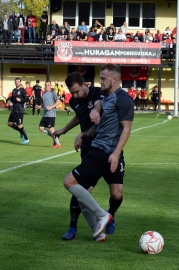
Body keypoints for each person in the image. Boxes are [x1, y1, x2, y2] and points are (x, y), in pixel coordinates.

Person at [62, 64, 134, 239]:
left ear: (115, 79)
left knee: (117, 194)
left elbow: (126, 129)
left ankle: (104, 216)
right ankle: (97, 226)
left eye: (103, 78)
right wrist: (83, 134)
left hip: (112, 152)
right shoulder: (107, 99)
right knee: (72, 183)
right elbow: (98, 127)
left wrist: (116, 153)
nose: (99, 81)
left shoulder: (123, 99)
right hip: (99, 151)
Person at [53, 73, 109, 241]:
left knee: (77, 187)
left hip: (100, 148)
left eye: (77, 91)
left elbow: (98, 109)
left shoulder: (98, 94)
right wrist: (64, 129)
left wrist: (83, 134)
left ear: (85, 84)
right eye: (72, 93)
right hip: (86, 149)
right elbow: (79, 115)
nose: (75, 96)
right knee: (82, 190)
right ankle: (97, 230)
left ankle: (101, 219)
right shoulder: (74, 101)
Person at [38, 81, 62, 148]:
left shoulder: (52, 93)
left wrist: (51, 107)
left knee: (51, 129)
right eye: (46, 85)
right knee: (41, 128)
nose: (47, 86)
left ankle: (58, 144)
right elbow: (45, 104)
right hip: (45, 114)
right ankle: (54, 137)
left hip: (51, 114)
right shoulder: (44, 93)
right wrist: (40, 106)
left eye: (48, 85)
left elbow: (58, 101)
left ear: (50, 86)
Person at [7, 78, 29, 144]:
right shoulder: (13, 90)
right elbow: (12, 99)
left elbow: (27, 99)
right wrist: (10, 102)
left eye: (18, 82)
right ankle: (21, 131)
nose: (17, 83)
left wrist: (21, 100)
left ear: (20, 82)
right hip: (14, 110)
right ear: (15, 82)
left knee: (19, 125)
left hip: (20, 111)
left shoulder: (23, 90)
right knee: (10, 123)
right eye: (16, 82)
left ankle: (26, 139)